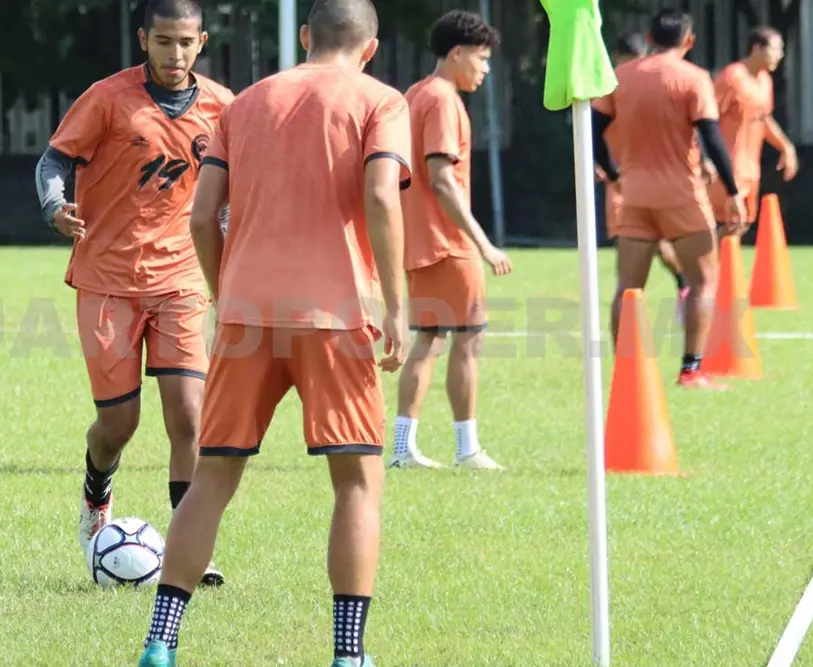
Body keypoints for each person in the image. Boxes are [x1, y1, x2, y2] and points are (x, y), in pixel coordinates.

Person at [136, 0, 411, 664]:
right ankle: (348, 653)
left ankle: (160, 641)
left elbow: (204, 216)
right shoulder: (380, 100)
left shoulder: (245, 103)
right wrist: (397, 306)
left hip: (244, 315)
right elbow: (379, 197)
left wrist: (223, 288)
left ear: (307, 35)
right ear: (369, 49)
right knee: (355, 482)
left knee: (211, 479)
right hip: (334, 315)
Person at [33, 0, 232, 586]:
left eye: (186, 42)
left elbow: (245, 179)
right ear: (144, 39)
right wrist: (54, 207)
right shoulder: (108, 97)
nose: (175, 54)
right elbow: (53, 160)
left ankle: (189, 549)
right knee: (118, 426)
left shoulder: (225, 107)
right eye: (164, 41)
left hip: (181, 278)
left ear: (202, 41)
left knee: (190, 419)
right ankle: (98, 489)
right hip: (107, 279)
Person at [591, 9, 745, 390]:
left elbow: (592, 133)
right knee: (704, 281)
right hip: (682, 196)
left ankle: (628, 373)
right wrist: (733, 192)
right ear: (688, 41)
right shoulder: (693, 78)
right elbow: (711, 138)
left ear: (650, 36)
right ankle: (691, 370)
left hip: (634, 195)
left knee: (628, 289)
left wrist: (614, 175)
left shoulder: (619, 78)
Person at [388, 10, 511, 472]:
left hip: (417, 241)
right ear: (456, 54)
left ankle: (403, 447)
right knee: (467, 341)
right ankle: (467, 448)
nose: (485, 69)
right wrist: (482, 242)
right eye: (481, 59)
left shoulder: (415, 94)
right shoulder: (442, 100)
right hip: (447, 243)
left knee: (430, 340)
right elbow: (442, 179)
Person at [599, 32, 692, 324]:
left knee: (644, 246)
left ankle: (684, 284)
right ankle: (684, 284)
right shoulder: (611, 88)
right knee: (649, 243)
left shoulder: (636, 86)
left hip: (636, 181)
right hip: (628, 181)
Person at [707, 26, 799, 232]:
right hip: (728, 165)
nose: (780, 55)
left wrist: (786, 147)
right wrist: (706, 158)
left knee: (741, 224)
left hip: (751, 167)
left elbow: (764, 119)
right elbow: (705, 118)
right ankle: (697, 262)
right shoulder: (731, 77)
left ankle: (707, 262)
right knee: (728, 221)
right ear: (757, 48)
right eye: (776, 49)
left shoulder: (765, 80)